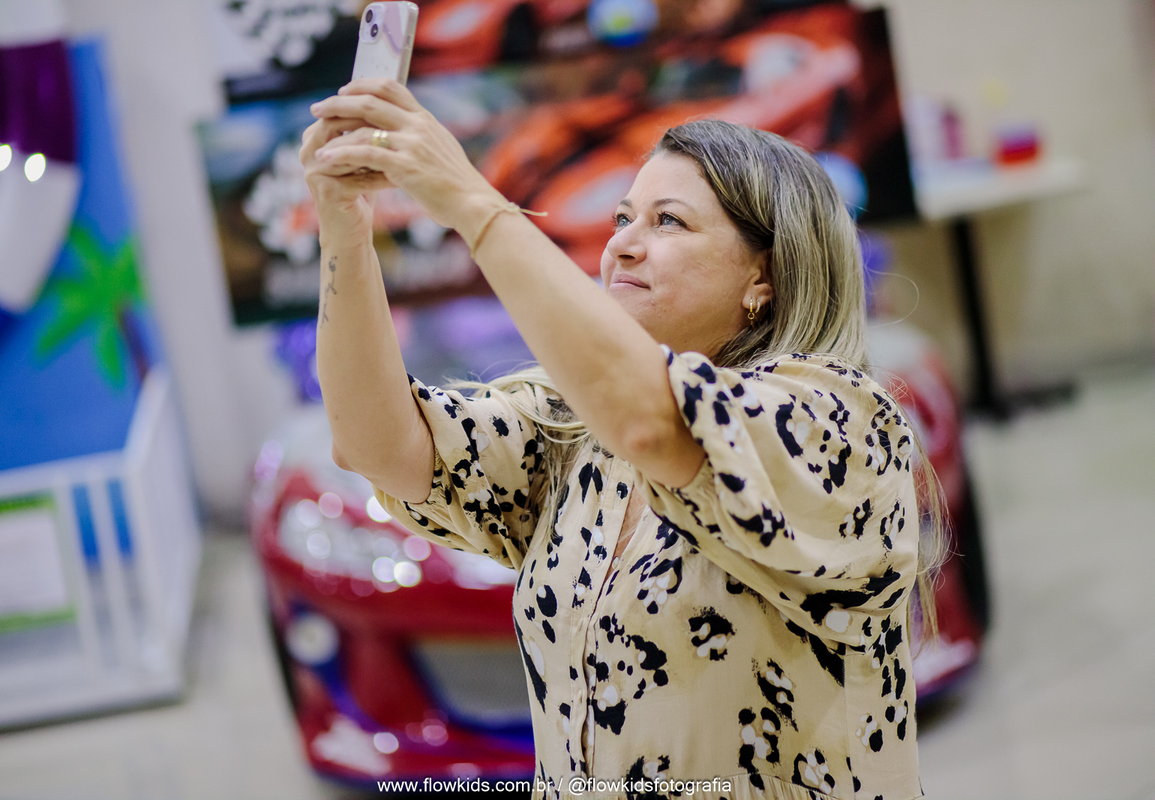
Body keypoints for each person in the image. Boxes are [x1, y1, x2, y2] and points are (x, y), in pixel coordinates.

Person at [302, 78, 940, 800]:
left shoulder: (838, 422)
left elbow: (655, 420)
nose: (621, 247)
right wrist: (343, 225)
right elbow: (378, 445)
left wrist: (471, 203)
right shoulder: (575, 425)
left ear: (763, 275)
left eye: (668, 222)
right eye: (621, 218)